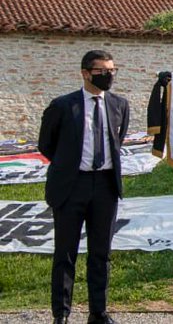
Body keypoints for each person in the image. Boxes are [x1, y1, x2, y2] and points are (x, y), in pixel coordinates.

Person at [38, 50, 131, 324]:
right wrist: (68, 164)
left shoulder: (119, 104)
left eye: (112, 70)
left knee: (101, 253)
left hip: (105, 185)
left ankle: (98, 312)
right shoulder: (63, 106)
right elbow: (46, 144)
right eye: (102, 71)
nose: (108, 75)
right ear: (86, 73)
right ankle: (61, 313)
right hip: (71, 186)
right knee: (65, 253)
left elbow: (118, 139)